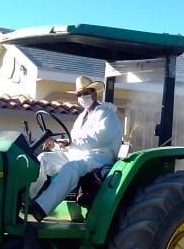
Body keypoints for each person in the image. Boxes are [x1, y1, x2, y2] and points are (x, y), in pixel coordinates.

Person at [28, 76, 124, 221]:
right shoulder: (81, 117)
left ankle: (41, 208)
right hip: (78, 155)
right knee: (43, 159)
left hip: (97, 158)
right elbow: (73, 142)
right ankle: (27, 198)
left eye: (85, 93)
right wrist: (56, 145)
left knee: (70, 168)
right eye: (79, 94)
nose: (82, 97)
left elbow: (96, 139)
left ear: (94, 93)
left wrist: (70, 143)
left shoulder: (106, 114)